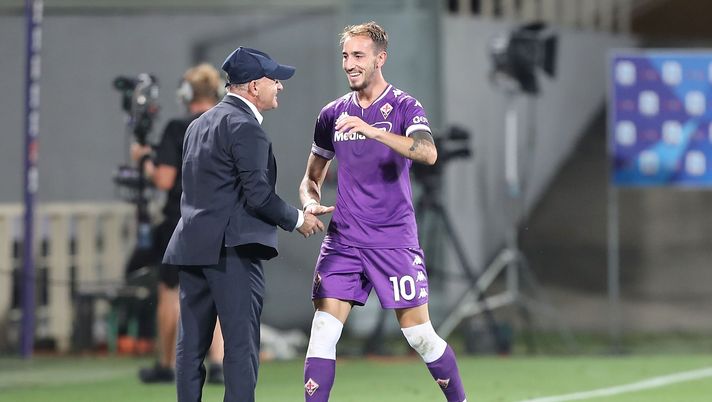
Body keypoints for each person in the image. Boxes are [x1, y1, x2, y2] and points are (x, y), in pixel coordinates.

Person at [299, 22, 468, 402]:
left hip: (393, 239)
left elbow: (428, 153)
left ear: (380, 58)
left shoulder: (406, 106)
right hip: (343, 241)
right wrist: (309, 201)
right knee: (323, 331)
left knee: (420, 336)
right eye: (346, 56)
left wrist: (374, 131)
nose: (350, 64)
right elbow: (310, 178)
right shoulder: (332, 114)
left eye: (358, 56)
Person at [163, 46, 327, 402]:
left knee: (190, 349)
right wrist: (299, 219)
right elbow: (259, 196)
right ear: (253, 86)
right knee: (240, 349)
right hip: (232, 252)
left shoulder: (197, 125)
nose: (280, 86)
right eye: (274, 80)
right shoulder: (245, 127)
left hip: (192, 249)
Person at [127, 64, 227, 384]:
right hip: (220, 218)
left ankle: (167, 364)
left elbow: (164, 179)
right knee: (219, 290)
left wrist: (143, 159)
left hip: (181, 219)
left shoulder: (177, 128)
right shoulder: (229, 124)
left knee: (170, 291)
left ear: (186, 94)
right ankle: (220, 363)